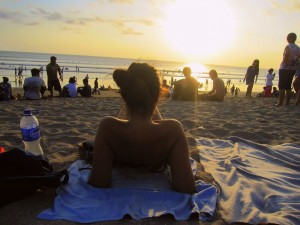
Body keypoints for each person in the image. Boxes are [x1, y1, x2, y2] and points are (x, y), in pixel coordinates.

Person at [88, 63, 195, 194]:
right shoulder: (173, 130)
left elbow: (99, 183)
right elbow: (186, 187)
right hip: (156, 149)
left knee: (124, 114)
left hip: (122, 147)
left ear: (124, 96)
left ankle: (137, 106)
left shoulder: (107, 127)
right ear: (158, 96)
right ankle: (144, 106)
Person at [277, 32, 300, 106]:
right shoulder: (298, 48)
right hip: (293, 69)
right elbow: (298, 58)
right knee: (288, 86)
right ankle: (287, 103)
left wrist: (285, 62)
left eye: (287, 38)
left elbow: (285, 57)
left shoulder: (288, 47)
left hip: (284, 68)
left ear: (290, 38)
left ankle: (280, 102)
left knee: (281, 86)